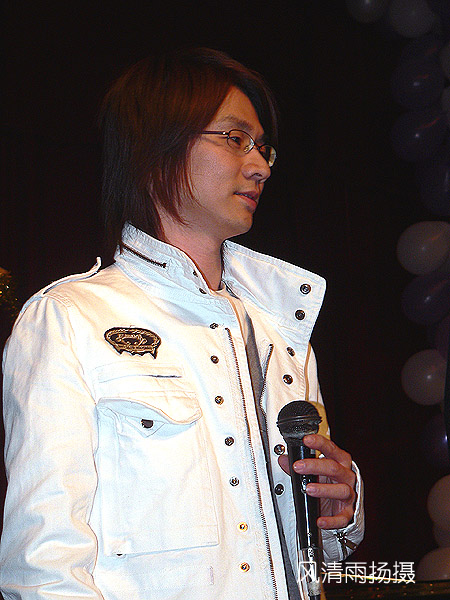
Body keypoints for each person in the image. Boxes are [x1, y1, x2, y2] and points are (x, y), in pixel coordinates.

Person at [0, 47, 364, 600]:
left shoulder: (281, 334)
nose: (261, 166)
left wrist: (342, 513)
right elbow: (43, 567)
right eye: (235, 138)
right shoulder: (70, 318)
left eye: (263, 147)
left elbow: (318, 562)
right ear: (156, 147)